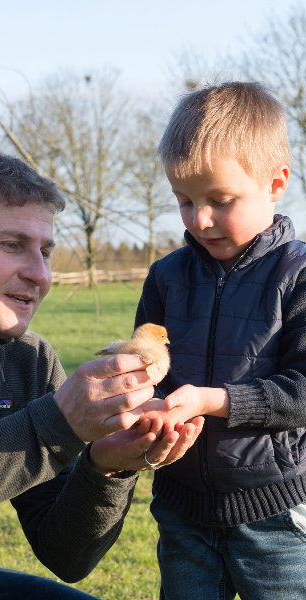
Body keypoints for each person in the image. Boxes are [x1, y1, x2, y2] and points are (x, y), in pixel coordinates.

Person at [0, 148, 203, 600]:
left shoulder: (29, 360)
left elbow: (66, 555)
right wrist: (53, 427)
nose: (39, 274)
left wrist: (105, 466)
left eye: (45, 251)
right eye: (12, 245)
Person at [134, 82, 306, 600]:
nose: (200, 219)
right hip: (181, 508)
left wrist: (214, 401)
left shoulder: (298, 275)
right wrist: (144, 401)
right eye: (184, 200)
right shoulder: (166, 276)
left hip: (273, 514)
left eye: (220, 200)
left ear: (275, 183)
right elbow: (148, 364)